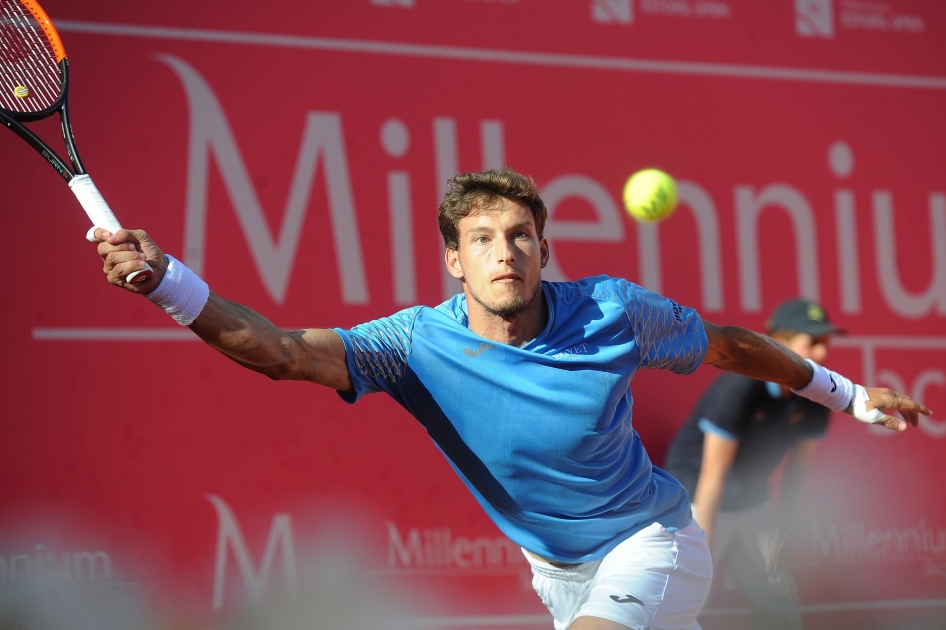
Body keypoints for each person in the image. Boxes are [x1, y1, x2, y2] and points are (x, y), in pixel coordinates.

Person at [93, 168, 929, 630]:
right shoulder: (412, 344)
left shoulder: (612, 309)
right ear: (455, 261)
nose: (507, 253)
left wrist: (848, 396)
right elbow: (277, 354)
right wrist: (170, 282)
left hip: (654, 543)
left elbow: (726, 346)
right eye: (484, 240)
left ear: (543, 249)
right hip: (556, 575)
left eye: (522, 236)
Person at [664, 298, 846, 629]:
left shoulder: (819, 395)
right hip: (696, 500)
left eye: (825, 344)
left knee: (777, 595)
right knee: (685, 599)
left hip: (751, 502)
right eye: (812, 343)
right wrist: (700, 545)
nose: (821, 354)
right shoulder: (738, 387)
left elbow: (798, 471)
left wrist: (787, 527)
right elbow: (712, 475)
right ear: (776, 343)